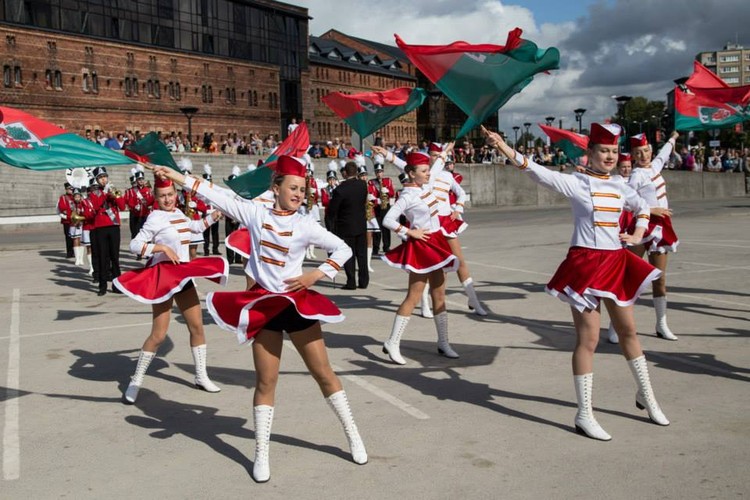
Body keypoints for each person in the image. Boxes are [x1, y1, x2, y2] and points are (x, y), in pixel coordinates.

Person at [153, 156, 367, 483]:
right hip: (264, 306)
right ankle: (262, 452)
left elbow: (342, 250)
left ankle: (352, 433)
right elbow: (217, 195)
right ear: (276, 188)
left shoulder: (306, 223)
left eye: (303, 189)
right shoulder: (255, 214)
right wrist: (178, 178)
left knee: (323, 373)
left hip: (296, 305)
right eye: (293, 188)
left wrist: (317, 275)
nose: (299, 194)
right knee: (266, 382)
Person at [483, 124, 670, 441]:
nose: (609, 156)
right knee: (589, 340)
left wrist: (638, 234)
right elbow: (537, 172)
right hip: (585, 265)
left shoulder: (620, 185)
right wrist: (503, 147)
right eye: (603, 151)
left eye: (613, 151)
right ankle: (584, 413)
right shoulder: (576, 182)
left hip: (615, 261)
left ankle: (647, 396)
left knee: (629, 332)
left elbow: (641, 208)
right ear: (591, 152)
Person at [114, 174, 227, 404]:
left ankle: (201, 376)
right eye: (162, 196)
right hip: (164, 278)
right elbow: (134, 245)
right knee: (158, 335)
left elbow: (194, 228)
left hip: (183, 276)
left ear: (176, 195)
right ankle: (136, 380)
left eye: (170, 195)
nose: (167, 199)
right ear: (156, 197)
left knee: (197, 327)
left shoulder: (178, 213)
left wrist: (214, 216)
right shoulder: (155, 218)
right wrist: (161, 247)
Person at [380, 150, 460, 364]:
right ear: (412, 174)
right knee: (413, 297)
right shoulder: (408, 196)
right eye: (423, 171)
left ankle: (443, 342)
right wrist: (410, 232)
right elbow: (388, 220)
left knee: (440, 295)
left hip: (437, 243)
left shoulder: (425, 184)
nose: (427, 173)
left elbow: (435, 167)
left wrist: (445, 151)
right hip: (422, 247)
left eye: (427, 170)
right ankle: (392, 342)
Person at [628, 131, 681, 341]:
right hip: (642, 226)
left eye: (646, 150)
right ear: (633, 155)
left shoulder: (655, 166)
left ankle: (661, 324)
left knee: (659, 278)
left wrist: (673, 138)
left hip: (661, 228)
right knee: (631, 277)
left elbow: (664, 154)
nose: (644, 155)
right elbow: (625, 201)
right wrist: (651, 210)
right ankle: (617, 324)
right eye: (638, 152)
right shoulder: (636, 175)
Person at [325, 161, 369, 290]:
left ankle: (351, 282)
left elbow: (333, 210)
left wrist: (330, 224)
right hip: (360, 223)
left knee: (349, 254)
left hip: (346, 225)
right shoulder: (362, 185)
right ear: (356, 172)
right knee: (362, 254)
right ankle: (363, 281)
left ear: (345, 173)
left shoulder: (340, 189)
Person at [89, 167, 126, 296]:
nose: (104, 179)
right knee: (103, 257)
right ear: (97, 180)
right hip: (100, 227)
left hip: (114, 225)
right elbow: (96, 205)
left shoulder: (113, 190)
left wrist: (114, 195)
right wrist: (105, 193)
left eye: (105, 177)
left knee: (114, 257)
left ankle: (117, 285)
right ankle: (102, 285)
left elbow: (122, 206)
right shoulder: (94, 193)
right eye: (100, 177)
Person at [368, 156, 395, 256]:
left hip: (386, 206)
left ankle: (386, 246)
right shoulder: (371, 182)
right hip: (377, 207)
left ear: (383, 172)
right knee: (377, 228)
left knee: (386, 227)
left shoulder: (388, 181)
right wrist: (376, 200)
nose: (379, 174)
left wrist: (387, 192)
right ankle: (375, 248)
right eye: (377, 172)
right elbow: (371, 194)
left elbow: (392, 193)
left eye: (380, 172)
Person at [360, 166, 380, 272]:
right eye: (362, 175)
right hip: (360, 215)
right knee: (360, 241)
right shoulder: (358, 187)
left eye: (365, 175)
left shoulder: (371, 186)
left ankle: (367, 264)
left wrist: (374, 200)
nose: (364, 177)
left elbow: (376, 201)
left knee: (369, 240)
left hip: (370, 214)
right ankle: (361, 263)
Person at [201, 165, 222, 256]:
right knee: (206, 233)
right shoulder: (201, 191)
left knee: (215, 232)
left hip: (214, 212)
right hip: (205, 213)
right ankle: (206, 249)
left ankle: (215, 248)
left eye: (209, 181)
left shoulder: (214, 190)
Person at [57, 182, 75, 258]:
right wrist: (68, 214)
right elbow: (62, 207)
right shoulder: (63, 197)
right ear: (66, 189)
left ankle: (75, 252)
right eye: (69, 189)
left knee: (75, 237)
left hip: (75, 220)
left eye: (71, 189)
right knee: (68, 237)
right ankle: (69, 252)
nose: (70, 190)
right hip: (67, 220)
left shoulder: (76, 196)